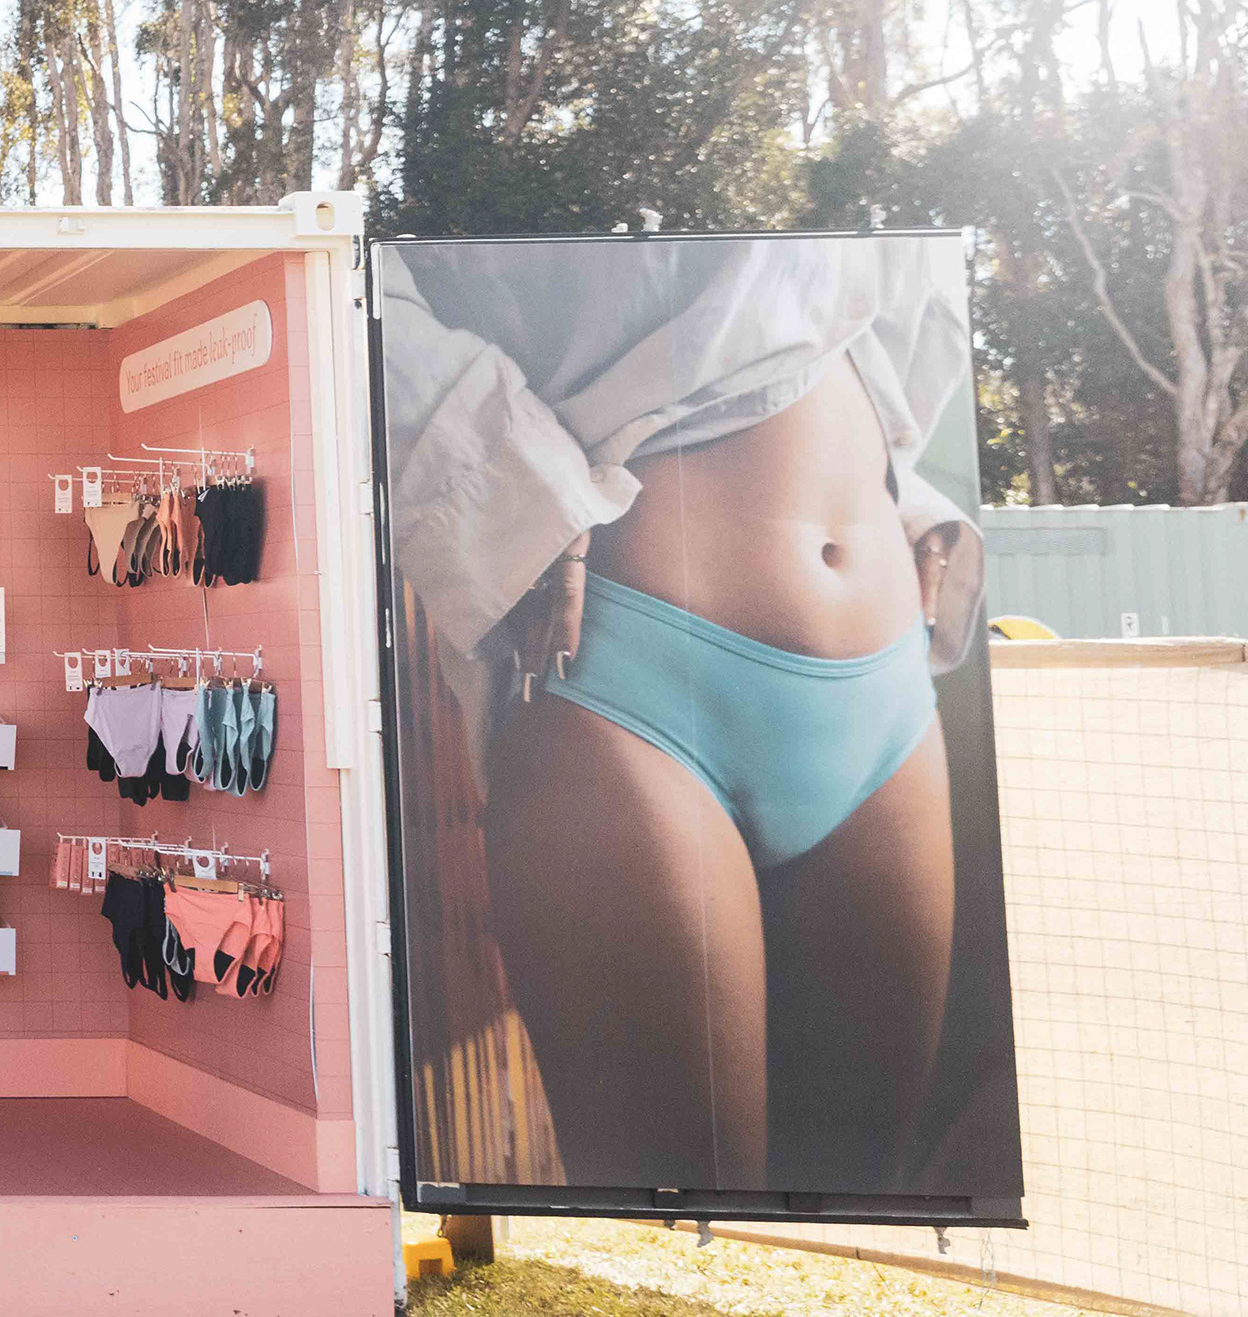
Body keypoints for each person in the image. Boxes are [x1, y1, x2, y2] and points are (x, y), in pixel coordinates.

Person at [379, 237, 983, 1191]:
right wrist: (509, 495)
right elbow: (362, 304)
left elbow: (840, 323)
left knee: (862, 1207)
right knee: (682, 1227)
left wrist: (904, 495)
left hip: (889, 687)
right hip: (623, 678)